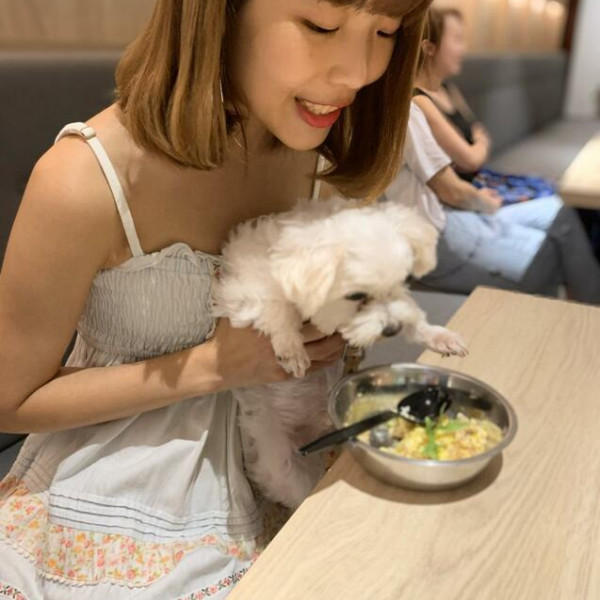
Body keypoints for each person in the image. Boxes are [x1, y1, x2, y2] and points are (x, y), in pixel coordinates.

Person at [0, 0, 433, 598]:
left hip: (297, 449)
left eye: (385, 32)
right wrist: (214, 366)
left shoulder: (317, 149)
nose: (359, 72)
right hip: (127, 487)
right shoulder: (85, 177)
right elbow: (10, 401)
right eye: (322, 25)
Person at [412, 6, 600, 259]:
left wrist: (476, 146)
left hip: (482, 178)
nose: (463, 49)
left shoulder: (447, 88)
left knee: (557, 192)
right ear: (429, 48)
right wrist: (477, 145)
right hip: (470, 193)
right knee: (563, 205)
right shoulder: (419, 101)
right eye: (457, 39)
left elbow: (478, 134)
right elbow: (470, 158)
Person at [382, 102, 600, 302]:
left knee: (561, 211)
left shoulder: (440, 94)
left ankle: (589, 307)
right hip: (444, 227)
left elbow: (473, 134)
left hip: (455, 212)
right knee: (551, 253)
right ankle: (585, 312)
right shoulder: (407, 110)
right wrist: (481, 146)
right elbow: (460, 179)